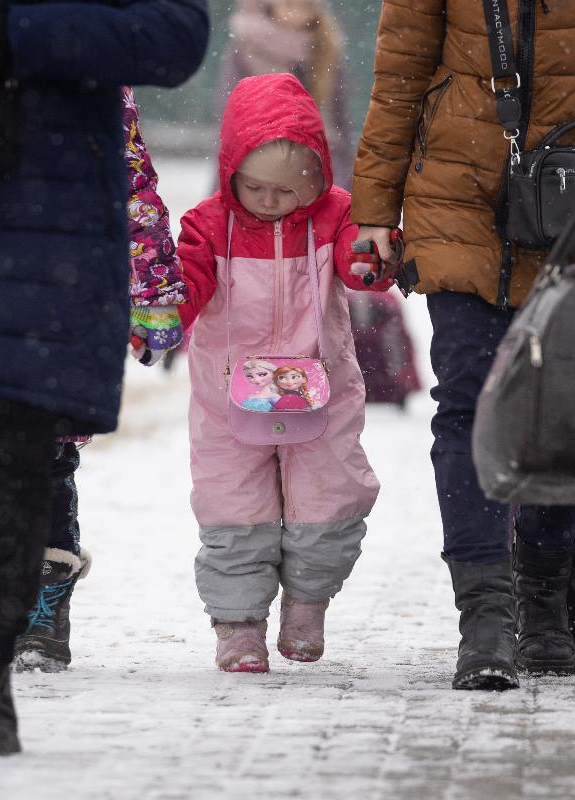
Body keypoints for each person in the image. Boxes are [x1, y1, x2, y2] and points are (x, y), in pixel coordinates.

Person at [0, 0, 208, 756]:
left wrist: (154, 296)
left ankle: (11, 641)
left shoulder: (97, 83)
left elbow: (138, 191)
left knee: (25, 468)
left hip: (42, 255)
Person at [351, 1, 575, 690]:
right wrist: (373, 208)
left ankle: (544, 593)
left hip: (570, 199)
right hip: (458, 200)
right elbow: (400, 77)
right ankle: (485, 614)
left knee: (564, 404)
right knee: (469, 405)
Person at [177, 73, 381, 673]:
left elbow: (355, 259)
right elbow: (188, 280)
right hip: (228, 396)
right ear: (230, 171)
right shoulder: (209, 225)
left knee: (329, 498)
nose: (269, 201)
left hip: (322, 392)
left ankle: (307, 605)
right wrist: (164, 311)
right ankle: (238, 627)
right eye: (256, 187)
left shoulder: (337, 216)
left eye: (289, 190)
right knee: (233, 505)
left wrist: (370, 260)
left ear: (318, 179)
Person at [12, 86, 187, 673]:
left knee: (50, 454)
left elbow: (130, 178)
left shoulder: (90, 59)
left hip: (63, 291)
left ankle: (43, 603)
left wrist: (154, 290)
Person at [215, 0, 354, 190]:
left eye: (304, 6)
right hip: (256, 167)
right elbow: (231, 113)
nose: (296, 12)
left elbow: (340, 119)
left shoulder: (328, 48)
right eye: (289, 4)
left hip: (320, 168)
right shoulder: (247, 49)